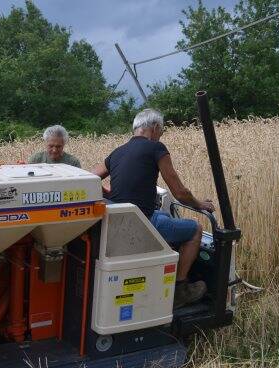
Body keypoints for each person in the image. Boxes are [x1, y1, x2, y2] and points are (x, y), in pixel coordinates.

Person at [92, 108, 215, 309]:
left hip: (119, 222)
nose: (160, 135)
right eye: (162, 131)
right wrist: (201, 204)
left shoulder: (118, 152)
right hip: (143, 223)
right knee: (195, 230)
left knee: (161, 214)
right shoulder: (156, 149)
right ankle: (180, 290)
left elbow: (90, 178)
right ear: (155, 128)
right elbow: (180, 193)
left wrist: (108, 193)